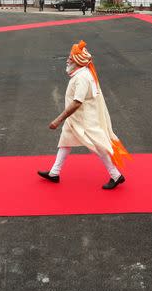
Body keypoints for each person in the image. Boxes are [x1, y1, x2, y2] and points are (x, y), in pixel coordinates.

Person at [40, 40, 132, 189]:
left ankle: (116, 175)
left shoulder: (82, 78)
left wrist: (58, 120)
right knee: (65, 141)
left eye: (71, 57)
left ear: (78, 60)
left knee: (97, 146)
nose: (68, 59)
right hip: (76, 118)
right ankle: (54, 173)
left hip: (84, 119)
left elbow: (77, 102)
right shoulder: (81, 73)